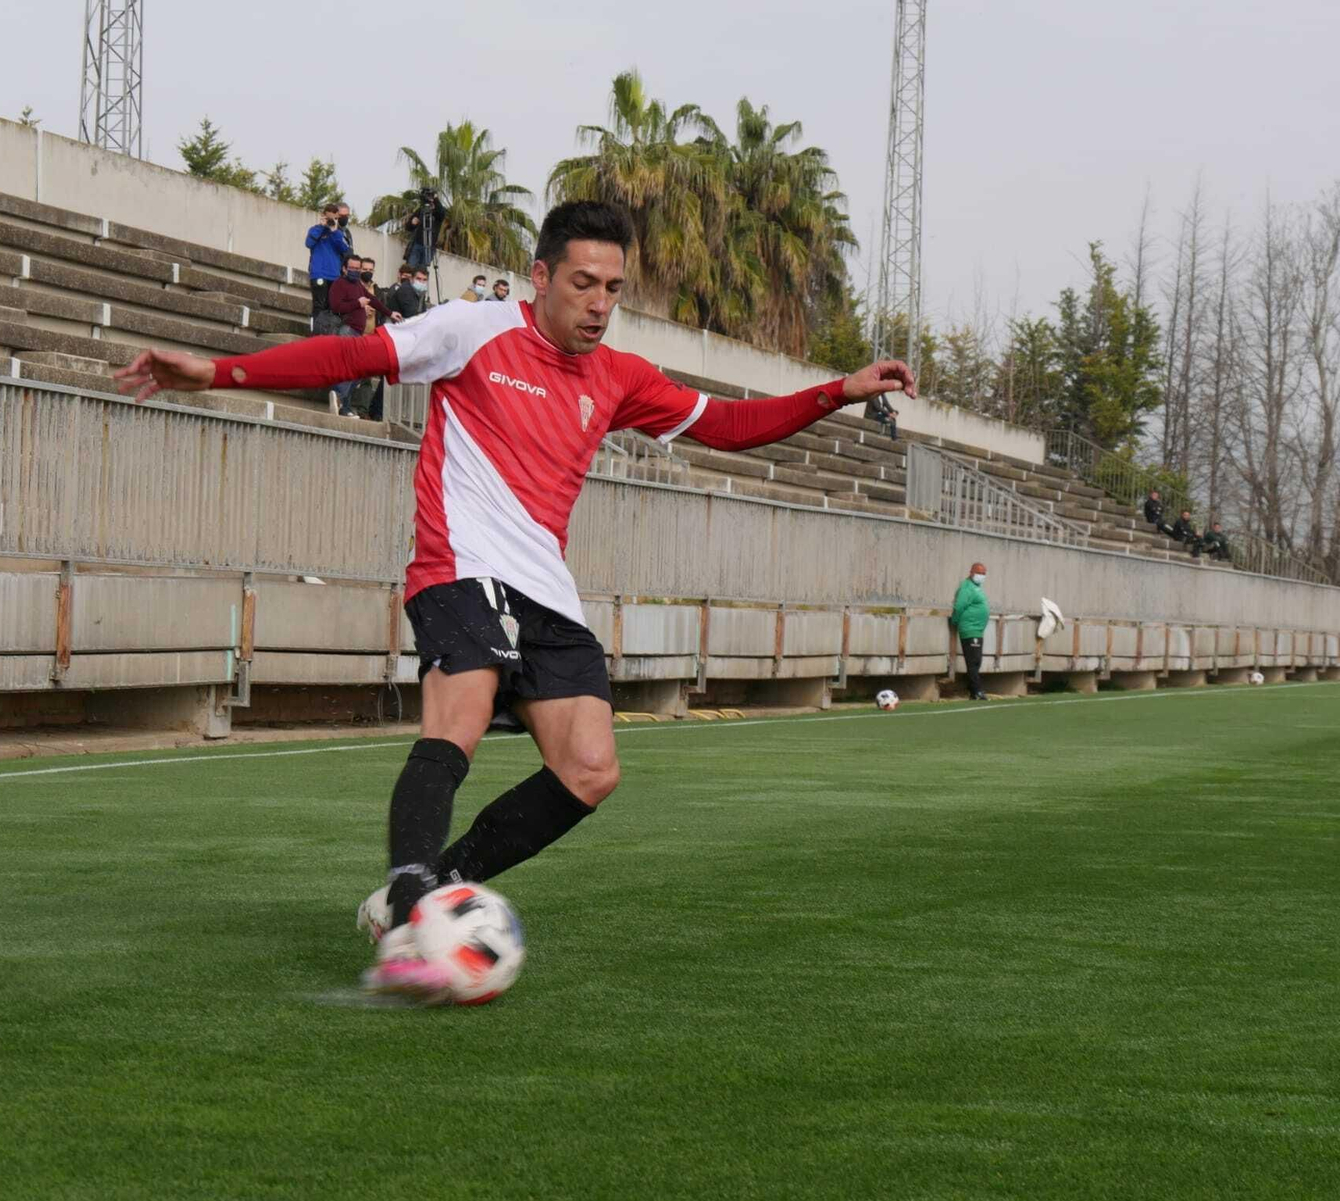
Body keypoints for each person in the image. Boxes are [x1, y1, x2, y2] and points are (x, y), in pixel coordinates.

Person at [112, 200, 916, 1002]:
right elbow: (349, 358)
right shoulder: (476, 328)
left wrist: (839, 389)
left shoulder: (619, 376)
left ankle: (445, 883)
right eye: (583, 283)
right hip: (459, 569)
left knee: (592, 768)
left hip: (546, 591)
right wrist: (219, 371)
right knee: (460, 716)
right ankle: (405, 915)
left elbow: (732, 424)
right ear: (541, 277)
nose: (600, 303)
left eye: (613, 287)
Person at [325, 254, 395, 418]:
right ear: (344, 268)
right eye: (353, 268)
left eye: (358, 268)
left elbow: (372, 300)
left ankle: (343, 404)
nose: (356, 271)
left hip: (357, 333)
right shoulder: (339, 284)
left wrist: (390, 313)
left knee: (359, 371)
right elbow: (335, 306)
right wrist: (358, 304)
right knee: (350, 369)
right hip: (346, 330)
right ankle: (340, 400)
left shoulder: (357, 285)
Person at [304, 203, 353, 318]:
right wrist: (322, 226)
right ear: (323, 216)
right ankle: (316, 332)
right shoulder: (315, 229)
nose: (332, 220)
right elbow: (308, 243)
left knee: (331, 307)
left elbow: (345, 248)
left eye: (335, 218)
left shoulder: (338, 233)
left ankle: (327, 333)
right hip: (319, 274)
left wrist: (334, 230)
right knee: (319, 306)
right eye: (329, 218)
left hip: (334, 276)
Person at [950, 562, 990, 701]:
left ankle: (973, 691)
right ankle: (977, 691)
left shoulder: (976, 587)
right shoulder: (967, 587)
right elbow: (959, 606)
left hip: (977, 630)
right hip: (970, 629)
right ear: (972, 572)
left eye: (984, 574)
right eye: (979, 573)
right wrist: (954, 620)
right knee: (973, 661)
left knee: (977, 661)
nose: (982, 576)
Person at [404, 188, 447, 270]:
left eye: (431, 196)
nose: (429, 198)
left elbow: (442, 214)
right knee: (410, 269)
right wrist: (412, 223)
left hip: (430, 246)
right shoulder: (420, 210)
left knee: (422, 271)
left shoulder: (438, 211)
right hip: (417, 244)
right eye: (427, 196)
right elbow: (408, 227)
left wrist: (435, 198)